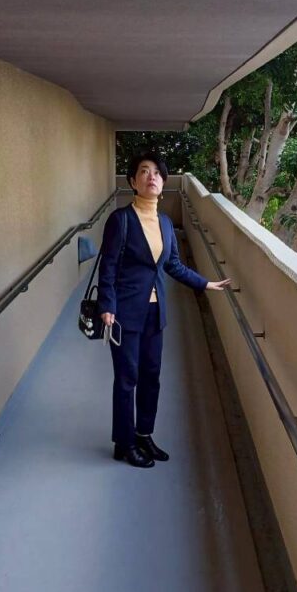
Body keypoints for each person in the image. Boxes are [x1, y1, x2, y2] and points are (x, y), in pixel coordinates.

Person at [96, 151, 231, 468]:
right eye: (144, 171)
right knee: (127, 378)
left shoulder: (166, 223)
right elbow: (108, 267)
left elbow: (173, 265)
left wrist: (204, 283)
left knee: (151, 377)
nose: (151, 176)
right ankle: (124, 443)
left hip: (155, 315)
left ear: (163, 181)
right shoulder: (121, 220)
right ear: (133, 182)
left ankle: (144, 434)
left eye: (157, 172)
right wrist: (107, 306)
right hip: (125, 314)